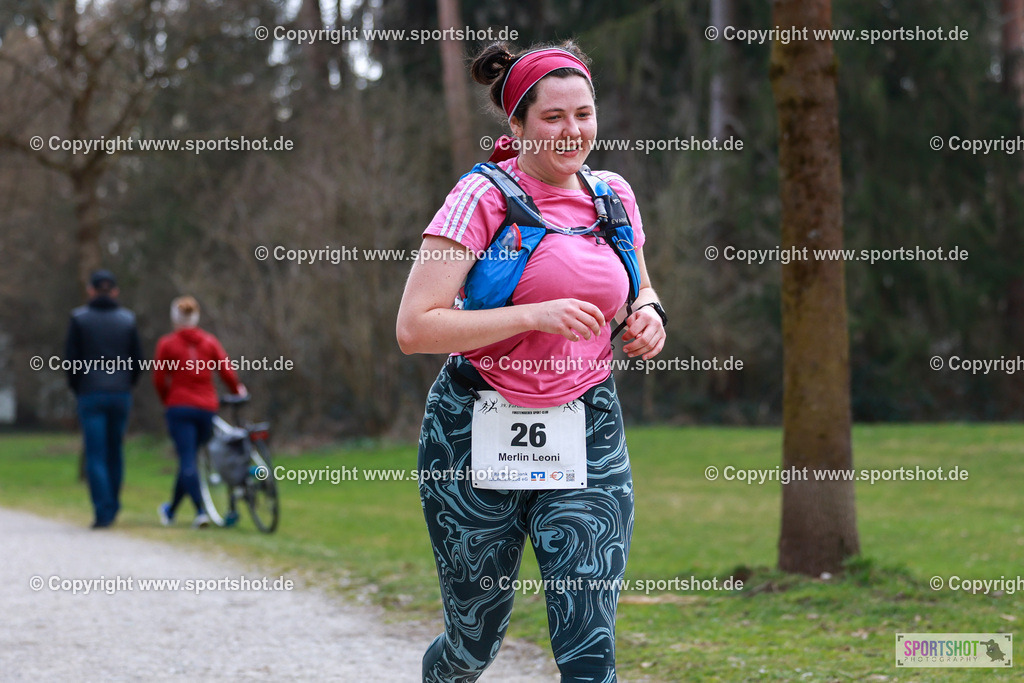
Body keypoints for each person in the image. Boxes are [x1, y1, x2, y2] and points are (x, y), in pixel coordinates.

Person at [396, 41, 667, 682]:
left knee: (589, 642)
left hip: (587, 424)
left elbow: (639, 288)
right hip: (474, 423)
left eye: (584, 113)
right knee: (473, 641)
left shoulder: (613, 197)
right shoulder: (479, 198)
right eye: (553, 117)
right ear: (516, 125)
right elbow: (415, 327)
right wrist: (533, 316)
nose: (572, 131)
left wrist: (650, 315)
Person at [152, 296, 246, 529]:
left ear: (175, 318)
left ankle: (200, 512)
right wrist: (237, 390)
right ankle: (171, 510)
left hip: (180, 408)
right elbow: (227, 371)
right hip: (207, 409)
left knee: (187, 460)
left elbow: (158, 378)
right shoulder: (209, 342)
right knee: (190, 459)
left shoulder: (168, 343)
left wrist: (168, 400)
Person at [65, 269, 145, 529]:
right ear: (115, 291)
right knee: (115, 451)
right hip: (120, 392)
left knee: (95, 454)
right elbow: (137, 361)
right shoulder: (127, 320)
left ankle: (103, 510)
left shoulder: (79, 319)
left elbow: (71, 362)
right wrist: (126, 385)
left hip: (91, 392)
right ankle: (113, 505)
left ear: (90, 290)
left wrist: (79, 388)